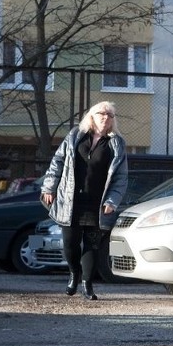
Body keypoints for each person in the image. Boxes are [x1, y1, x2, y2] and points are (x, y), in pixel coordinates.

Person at [41, 101, 128, 300]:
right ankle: (74, 273)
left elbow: (121, 177)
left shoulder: (116, 143)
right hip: (71, 200)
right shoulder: (75, 136)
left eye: (110, 115)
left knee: (92, 245)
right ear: (92, 116)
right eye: (102, 113)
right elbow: (58, 162)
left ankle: (87, 285)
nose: (106, 117)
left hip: (98, 203)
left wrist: (112, 201)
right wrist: (49, 187)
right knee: (70, 244)